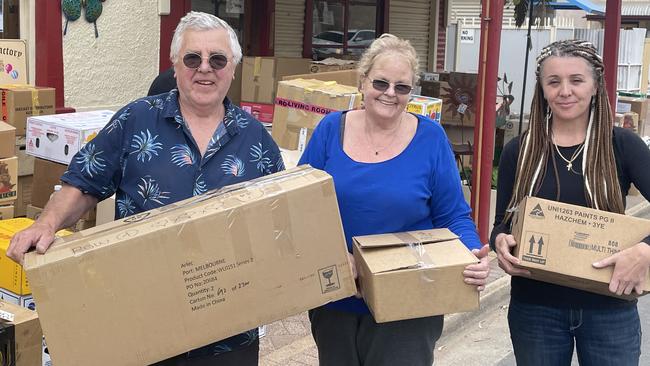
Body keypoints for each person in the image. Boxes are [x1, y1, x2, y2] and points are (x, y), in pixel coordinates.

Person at [8, 11, 283, 366]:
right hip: (143, 324)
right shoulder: (136, 120)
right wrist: (46, 224)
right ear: (174, 64)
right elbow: (83, 182)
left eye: (217, 59)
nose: (205, 68)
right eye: (192, 58)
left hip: (228, 335)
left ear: (233, 67)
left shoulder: (256, 138)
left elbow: (279, 217)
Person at [298, 33, 490, 366]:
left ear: (411, 92)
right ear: (362, 81)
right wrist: (330, 255)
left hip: (410, 301)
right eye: (381, 83)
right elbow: (300, 208)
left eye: (401, 87)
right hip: (337, 300)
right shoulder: (331, 130)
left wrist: (469, 253)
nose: (390, 94)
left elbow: (453, 214)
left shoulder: (430, 139)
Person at [491, 39, 650, 366]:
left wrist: (646, 249)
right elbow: (502, 225)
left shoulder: (622, 146)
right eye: (554, 81)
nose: (565, 91)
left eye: (576, 80)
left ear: (595, 86)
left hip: (610, 308)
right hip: (535, 309)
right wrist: (501, 244)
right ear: (542, 89)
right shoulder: (519, 151)